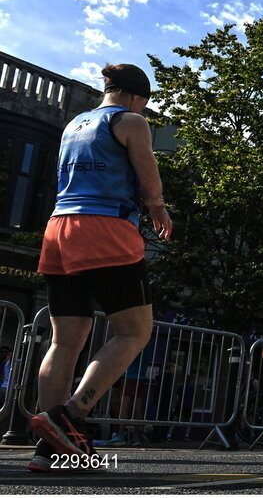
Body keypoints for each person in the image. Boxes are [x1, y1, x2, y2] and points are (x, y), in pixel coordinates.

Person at [28, 63, 172, 472]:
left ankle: (51, 448)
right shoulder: (130, 121)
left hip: (58, 229)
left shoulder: (74, 124)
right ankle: (69, 416)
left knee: (64, 341)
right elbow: (148, 172)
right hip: (104, 227)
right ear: (136, 97)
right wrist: (158, 207)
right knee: (135, 330)